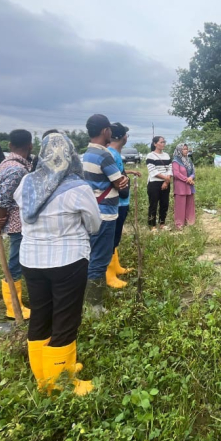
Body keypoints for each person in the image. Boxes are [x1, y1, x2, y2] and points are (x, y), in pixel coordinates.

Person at [14, 132, 99, 395]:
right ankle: (60, 383)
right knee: (65, 318)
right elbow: (94, 225)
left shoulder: (27, 182)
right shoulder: (77, 187)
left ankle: (44, 378)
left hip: (31, 260)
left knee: (41, 314)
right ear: (72, 156)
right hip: (67, 261)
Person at [82, 114, 130, 311]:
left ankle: (92, 299)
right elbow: (121, 185)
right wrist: (123, 183)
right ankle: (94, 306)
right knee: (100, 259)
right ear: (105, 131)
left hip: (92, 210)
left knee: (93, 255)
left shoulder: (87, 154)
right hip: (105, 213)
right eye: (109, 129)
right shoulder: (104, 155)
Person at [0, 129, 34, 320]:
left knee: (20, 261)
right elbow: (1, 201)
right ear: (30, 146)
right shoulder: (16, 169)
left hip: (18, 222)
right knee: (16, 263)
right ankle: (13, 307)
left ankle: (17, 302)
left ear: (10, 146)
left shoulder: (7, 164)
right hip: (18, 224)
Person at [107, 123, 141, 287]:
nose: (127, 137)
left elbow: (118, 173)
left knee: (116, 236)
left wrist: (128, 173)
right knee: (111, 238)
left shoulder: (115, 154)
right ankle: (109, 275)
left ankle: (116, 266)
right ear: (121, 137)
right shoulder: (111, 155)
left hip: (121, 202)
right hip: (116, 203)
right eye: (126, 134)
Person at [146, 136, 172, 231]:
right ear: (155, 143)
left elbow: (170, 168)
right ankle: (152, 225)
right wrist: (167, 179)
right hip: (154, 183)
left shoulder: (167, 155)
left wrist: (166, 181)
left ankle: (162, 223)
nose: (163, 144)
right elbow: (153, 171)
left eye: (164, 142)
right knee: (153, 204)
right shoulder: (150, 156)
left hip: (166, 182)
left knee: (164, 203)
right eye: (161, 142)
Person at [172, 143, 197, 230]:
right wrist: (187, 179)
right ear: (179, 150)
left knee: (190, 204)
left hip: (189, 186)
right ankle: (179, 225)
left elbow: (193, 172)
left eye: (186, 149)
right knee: (180, 205)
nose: (186, 151)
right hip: (181, 187)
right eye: (184, 149)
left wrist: (191, 177)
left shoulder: (189, 160)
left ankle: (190, 222)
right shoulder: (176, 161)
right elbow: (176, 174)